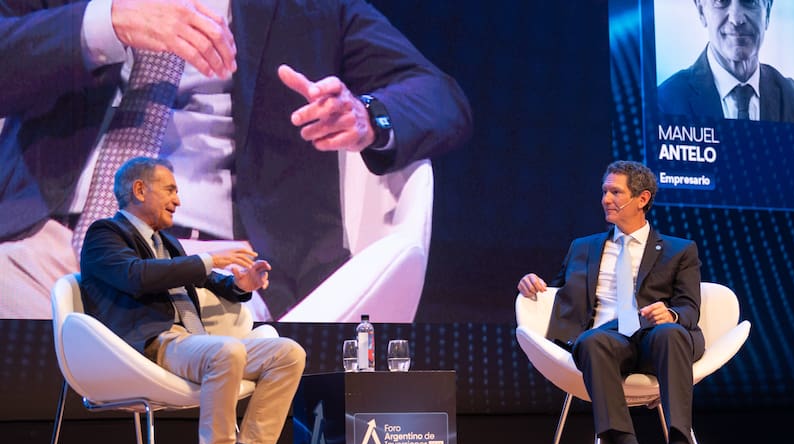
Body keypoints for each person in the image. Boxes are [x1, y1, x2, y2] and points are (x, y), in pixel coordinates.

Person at [0, 0, 472, 320]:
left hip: (206, 264)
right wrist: (106, 22)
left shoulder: (309, 8)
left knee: (204, 367)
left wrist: (366, 117)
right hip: (45, 246)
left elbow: (440, 97)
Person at [80, 156, 306, 444]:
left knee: (288, 353)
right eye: (170, 190)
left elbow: (212, 282)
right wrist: (210, 258)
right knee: (226, 352)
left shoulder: (168, 243)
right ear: (140, 190)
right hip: (153, 345)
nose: (178, 200)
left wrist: (241, 283)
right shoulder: (105, 234)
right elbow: (136, 276)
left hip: (193, 344)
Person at [517, 161, 705, 444]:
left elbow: (690, 307)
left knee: (670, 334)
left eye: (615, 192)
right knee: (590, 342)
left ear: (642, 199)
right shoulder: (583, 247)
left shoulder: (679, 250)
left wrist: (671, 314)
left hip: (655, 340)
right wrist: (534, 284)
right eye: (604, 191)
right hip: (606, 344)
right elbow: (557, 291)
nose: (606, 198)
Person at [658, 0, 794, 122]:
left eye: (750, 0)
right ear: (701, 11)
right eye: (721, 1)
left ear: (767, 11)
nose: (736, 20)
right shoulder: (664, 102)